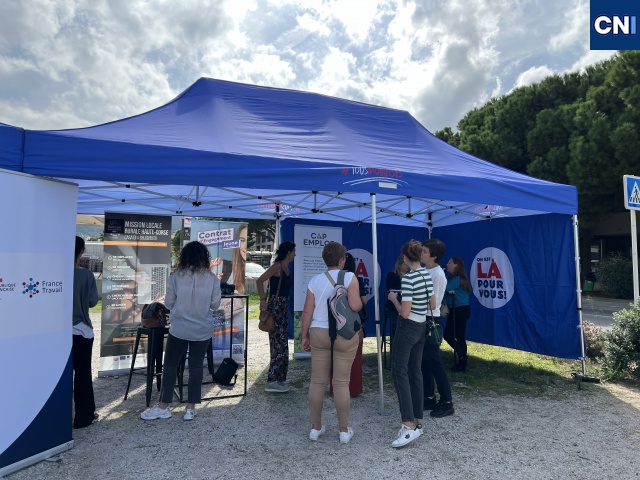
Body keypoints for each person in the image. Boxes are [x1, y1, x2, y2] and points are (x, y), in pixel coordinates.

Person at [140, 241, 222, 421]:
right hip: (201, 329)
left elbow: (168, 304)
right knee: (195, 367)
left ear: (184, 256)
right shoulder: (213, 279)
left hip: (179, 328)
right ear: (204, 257)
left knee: (170, 365)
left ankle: (164, 406)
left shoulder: (175, 277)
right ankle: (190, 408)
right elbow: (215, 305)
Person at [301, 242, 362, 444]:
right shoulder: (350, 278)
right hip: (344, 333)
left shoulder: (315, 281)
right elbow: (354, 305)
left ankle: (315, 428)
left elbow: (307, 312)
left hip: (319, 331)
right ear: (342, 259)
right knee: (341, 382)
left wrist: (304, 336)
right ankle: (344, 430)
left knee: (317, 382)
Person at [387, 240, 435, 448]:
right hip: (422, 326)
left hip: (408, 328)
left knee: (400, 372)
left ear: (405, 258)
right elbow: (432, 303)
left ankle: (407, 424)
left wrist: (394, 300)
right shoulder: (426, 274)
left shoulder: (407, 279)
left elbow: (404, 312)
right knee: (415, 372)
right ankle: (417, 420)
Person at [256, 241, 297, 393]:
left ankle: (279, 378)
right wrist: (262, 300)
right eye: (294, 251)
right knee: (277, 343)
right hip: (276, 307)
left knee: (282, 343)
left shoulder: (287, 267)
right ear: (288, 252)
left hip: (283, 307)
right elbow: (259, 280)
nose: (295, 254)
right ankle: (272, 380)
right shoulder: (278, 266)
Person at [421, 238, 455, 418]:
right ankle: (428, 396)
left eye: (425, 251)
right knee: (424, 361)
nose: (422, 253)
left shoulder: (438, 275)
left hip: (431, 320)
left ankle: (447, 401)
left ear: (433, 256)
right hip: (422, 318)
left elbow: (434, 302)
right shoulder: (426, 270)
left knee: (434, 361)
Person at [329, 252, 367, 397]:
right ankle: (354, 388)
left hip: (335, 321)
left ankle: (335, 389)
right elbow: (362, 302)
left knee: (335, 356)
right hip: (354, 323)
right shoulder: (355, 279)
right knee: (355, 357)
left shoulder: (329, 278)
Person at [72, 236, 99, 429]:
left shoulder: (53, 274)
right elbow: (91, 302)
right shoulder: (86, 275)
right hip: (81, 331)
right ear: (82, 251)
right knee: (82, 375)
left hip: (58, 332)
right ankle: (83, 416)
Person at [443, 257, 472, 372]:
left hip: (460, 310)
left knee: (457, 336)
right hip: (455, 310)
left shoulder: (457, 279)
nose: (447, 264)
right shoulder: (453, 278)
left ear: (456, 265)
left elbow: (444, 287)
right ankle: (462, 358)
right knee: (451, 335)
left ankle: (462, 359)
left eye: (449, 263)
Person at [385, 255, 410, 352]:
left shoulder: (411, 276)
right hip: (394, 306)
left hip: (407, 304)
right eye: (405, 264)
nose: (407, 266)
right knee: (395, 325)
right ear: (399, 265)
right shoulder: (392, 275)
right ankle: (395, 351)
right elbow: (391, 288)